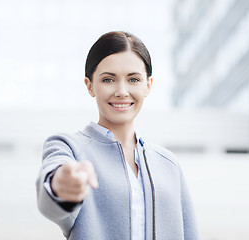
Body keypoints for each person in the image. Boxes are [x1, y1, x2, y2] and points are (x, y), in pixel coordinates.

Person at [36, 31, 199, 240]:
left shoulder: (169, 164)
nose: (122, 91)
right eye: (108, 79)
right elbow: (51, 190)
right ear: (90, 85)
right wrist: (61, 184)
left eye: (133, 79)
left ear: (148, 85)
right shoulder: (68, 147)